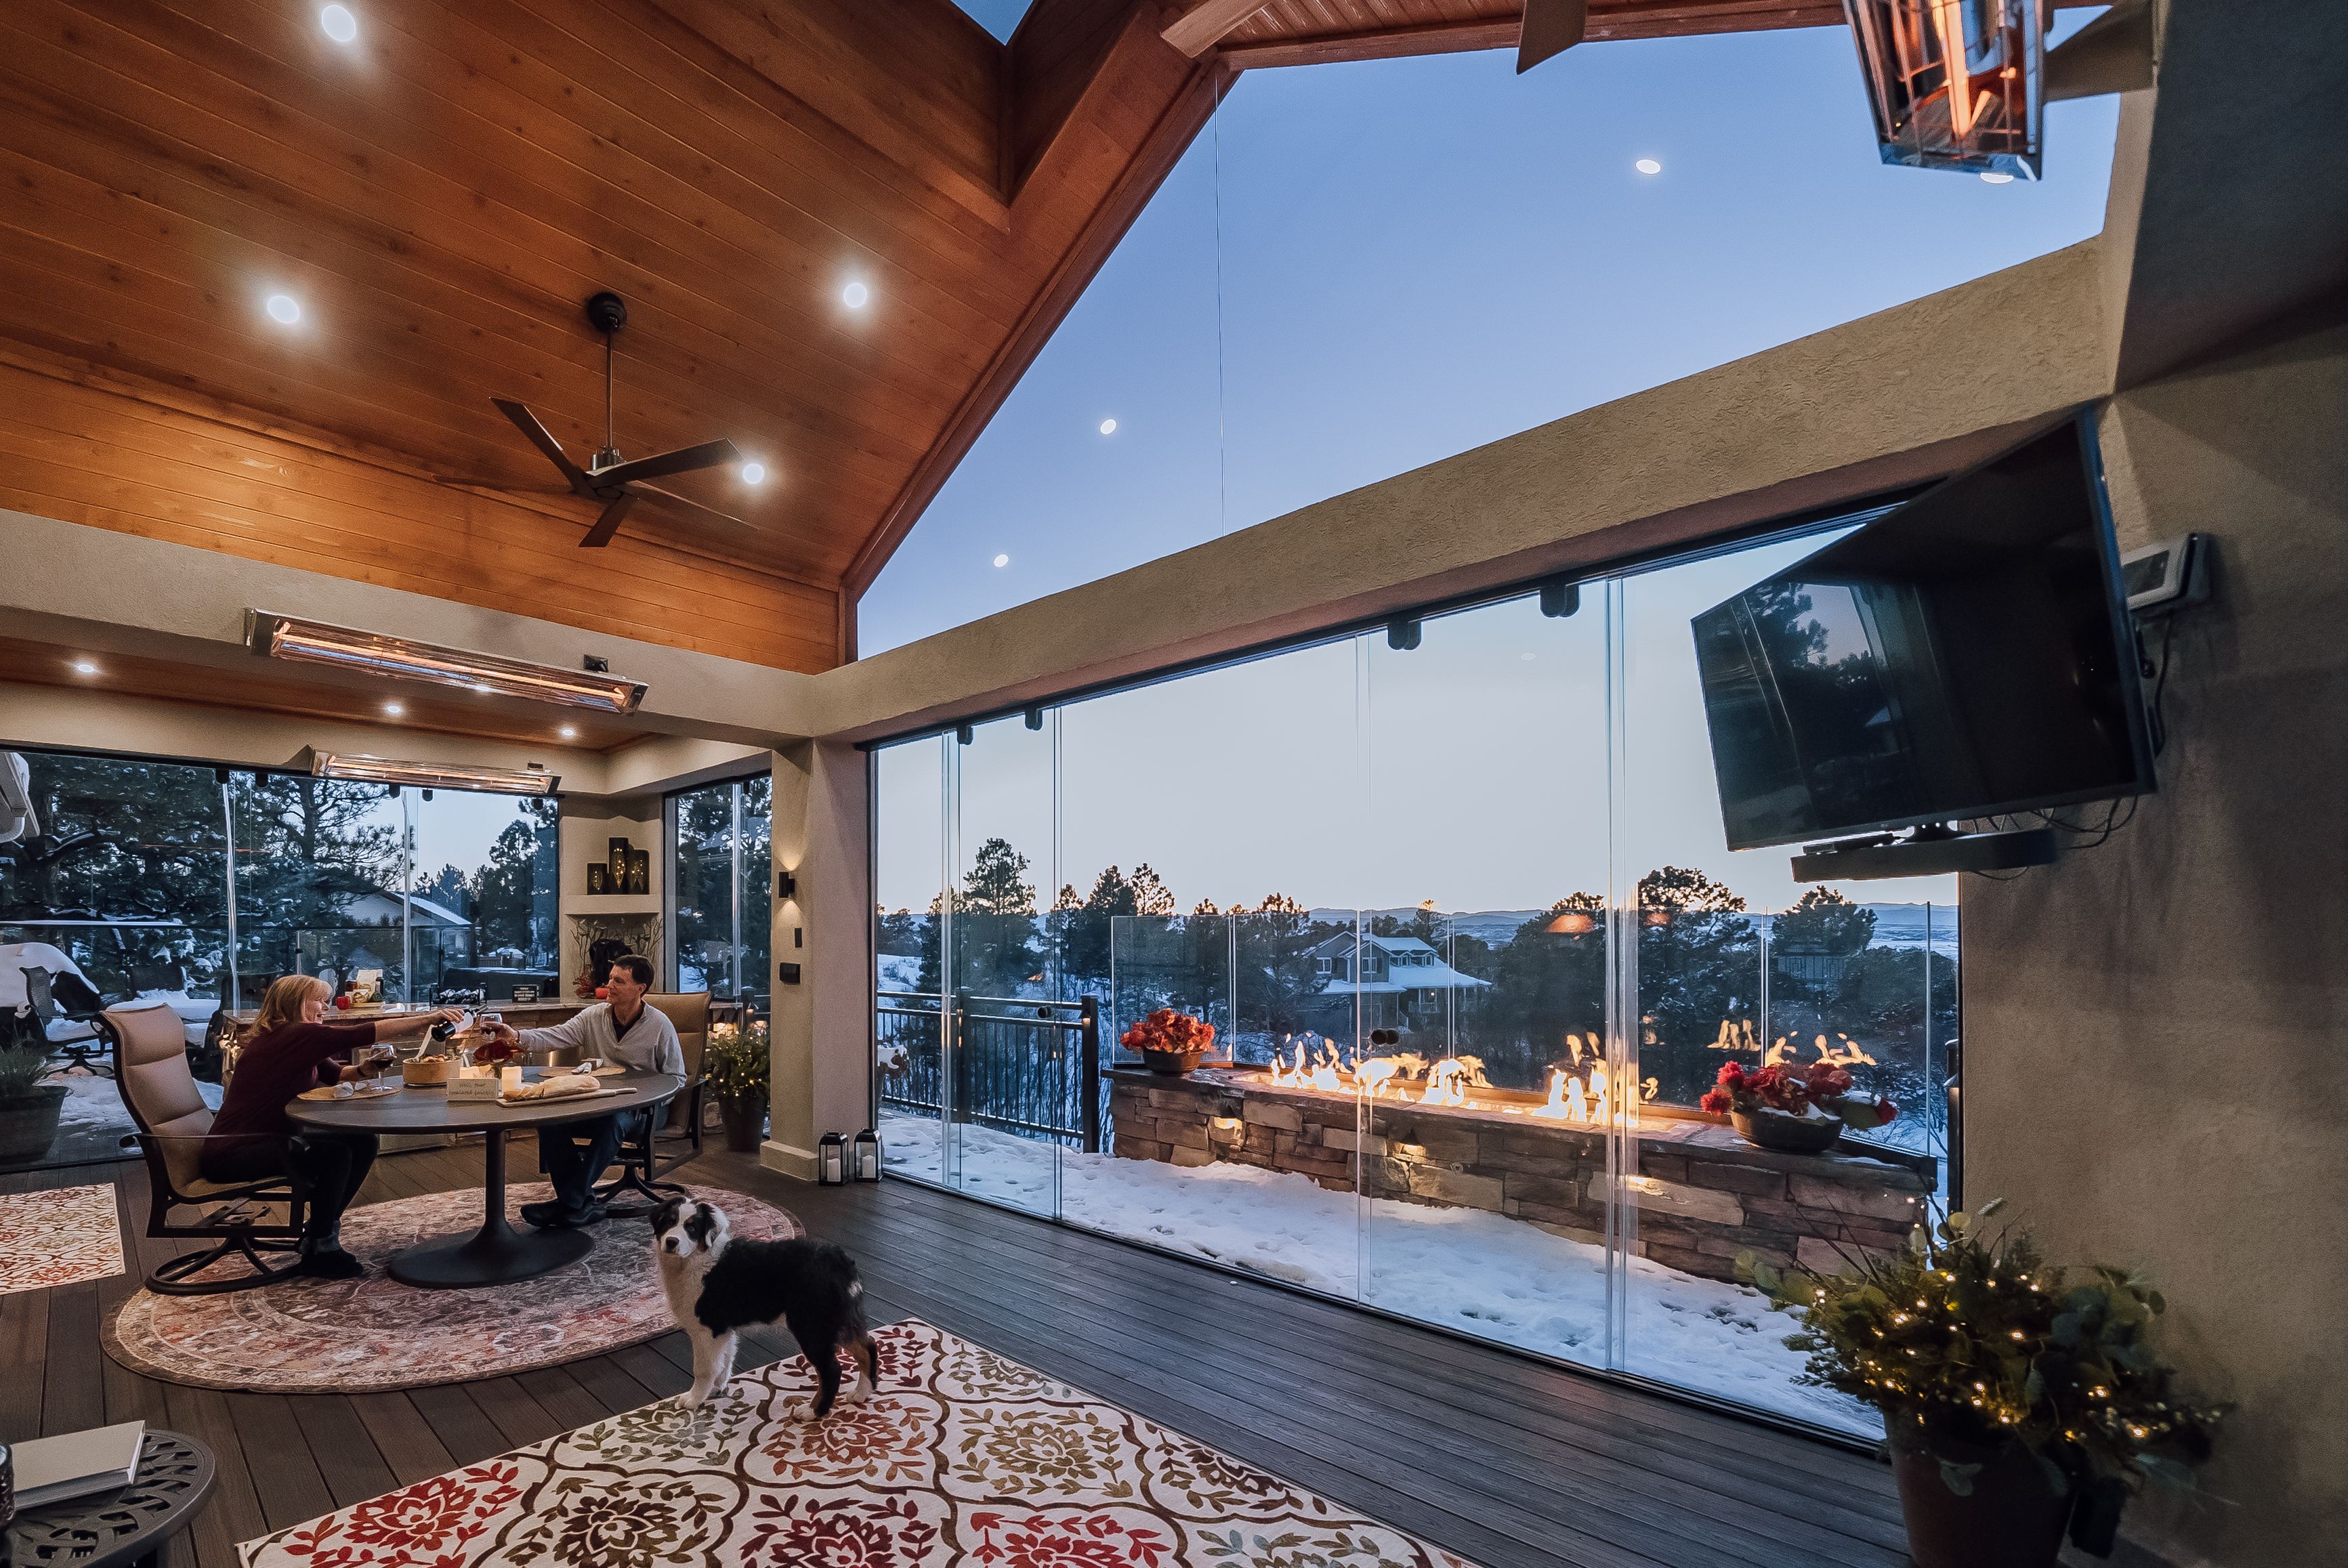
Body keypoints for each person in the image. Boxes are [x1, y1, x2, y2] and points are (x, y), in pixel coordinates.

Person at [205, 975, 459, 1278]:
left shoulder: (289, 1039)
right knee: (334, 1155)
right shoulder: (294, 1035)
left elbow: (336, 1075)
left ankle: (319, 1233)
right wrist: (428, 1019)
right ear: (295, 1003)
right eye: (319, 1001)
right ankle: (322, 1247)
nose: (326, 1007)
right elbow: (363, 1033)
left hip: (264, 1143)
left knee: (362, 1141)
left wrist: (365, 1069)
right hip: (235, 1154)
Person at [484, 954, 684, 1229]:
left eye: (619, 981)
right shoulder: (594, 1016)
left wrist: (649, 1100)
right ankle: (581, 1203)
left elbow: (676, 1076)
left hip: (646, 1111)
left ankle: (570, 1201)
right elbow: (555, 1035)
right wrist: (516, 1036)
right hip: (600, 1103)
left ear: (640, 988)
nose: (609, 985)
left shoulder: (660, 1024)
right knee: (550, 1120)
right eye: (610, 978)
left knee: (615, 1122)